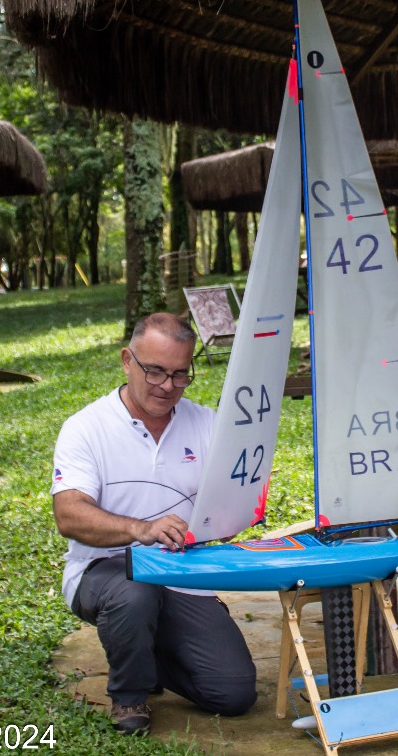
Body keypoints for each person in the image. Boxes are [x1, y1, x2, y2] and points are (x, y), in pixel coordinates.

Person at [51, 313, 257, 735]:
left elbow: (230, 505)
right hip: (105, 570)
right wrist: (141, 529)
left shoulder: (208, 424)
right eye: (156, 371)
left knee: (234, 693)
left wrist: (233, 512)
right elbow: (69, 515)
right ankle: (130, 697)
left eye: (181, 374)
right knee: (135, 593)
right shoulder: (85, 428)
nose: (167, 386)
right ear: (127, 361)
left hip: (181, 575)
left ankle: (144, 653)